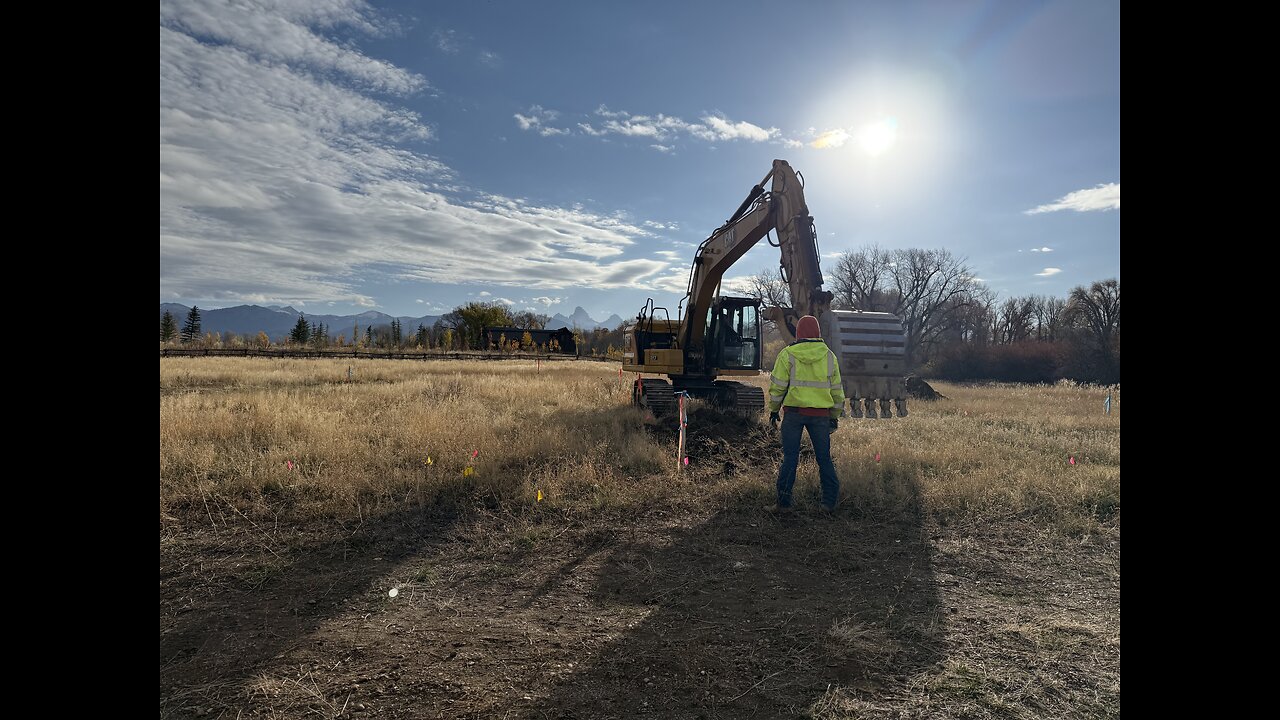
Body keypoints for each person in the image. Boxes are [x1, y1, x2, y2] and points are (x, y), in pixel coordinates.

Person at [767, 315, 845, 512]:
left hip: (793, 415)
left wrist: (774, 410)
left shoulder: (787, 354)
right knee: (824, 458)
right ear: (818, 333)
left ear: (798, 332)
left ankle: (783, 504)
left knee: (790, 458)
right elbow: (837, 391)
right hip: (821, 416)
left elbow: (777, 387)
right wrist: (834, 415)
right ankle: (829, 503)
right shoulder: (829, 356)